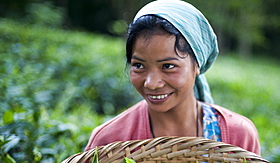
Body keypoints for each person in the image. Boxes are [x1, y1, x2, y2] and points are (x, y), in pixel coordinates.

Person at [85, 0, 261, 155]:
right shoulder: (109, 140)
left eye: (168, 66)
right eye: (139, 65)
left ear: (197, 64)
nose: (152, 83)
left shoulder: (238, 136)